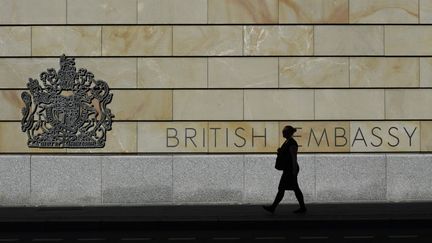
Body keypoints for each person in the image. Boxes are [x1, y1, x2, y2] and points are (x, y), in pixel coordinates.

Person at [263, 125, 307, 214]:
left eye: (284, 131)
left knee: (286, 188)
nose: (282, 132)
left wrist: (294, 171)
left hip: (291, 169)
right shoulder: (287, 142)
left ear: (288, 133)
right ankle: (302, 207)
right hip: (288, 169)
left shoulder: (292, 143)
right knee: (290, 188)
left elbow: (294, 158)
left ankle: (273, 207)